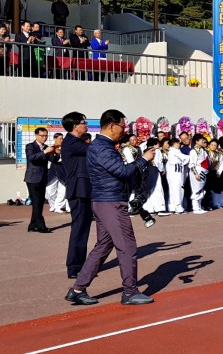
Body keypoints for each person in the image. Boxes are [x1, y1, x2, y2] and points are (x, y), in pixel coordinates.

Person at [66, 109, 156, 306]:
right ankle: (130, 291)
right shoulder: (102, 148)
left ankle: (78, 289)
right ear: (112, 126)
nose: (124, 131)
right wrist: (143, 159)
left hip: (105, 201)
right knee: (127, 246)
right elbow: (122, 171)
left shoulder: (102, 146)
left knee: (104, 245)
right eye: (123, 127)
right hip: (111, 202)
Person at [61, 112, 92, 278]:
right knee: (79, 229)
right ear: (75, 126)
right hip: (78, 191)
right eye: (83, 123)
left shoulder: (78, 142)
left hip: (85, 190)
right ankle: (74, 267)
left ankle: (80, 264)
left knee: (83, 229)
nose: (86, 125)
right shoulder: (71, 143)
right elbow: (94, 149)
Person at [24, 127, 56, 233]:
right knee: (36, 202)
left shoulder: (46, 147)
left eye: (46, 135)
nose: (44, 138)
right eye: (42, 136)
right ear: (36, 135)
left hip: (43, 177)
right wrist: (45, 152)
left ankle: (32, 225)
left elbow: (53, 159)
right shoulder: (30, 146)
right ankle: (41, 226)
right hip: (32, 178)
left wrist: (57, 153)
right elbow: (32, 158)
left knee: (40, 202)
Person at [165, 138, 189, 214]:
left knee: (173, 190)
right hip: (176, 173)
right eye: (178, 143)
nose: (179, 144)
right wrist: (186, 160)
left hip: (174, 173)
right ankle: (178, 208)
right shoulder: (174, 151)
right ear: (174, 144)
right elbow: (185, 157)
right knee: (178, 189)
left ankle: (172, 207)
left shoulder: (172, 151)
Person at [46, 133, 68, 213]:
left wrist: (60, 153)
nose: (61, 140)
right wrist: (57, 153)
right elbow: (51, 159)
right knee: (50, 190)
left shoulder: (65, 149)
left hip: (63, 171)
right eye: (60, 138)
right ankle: (53, 205)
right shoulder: (51, 148)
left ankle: (58, 206)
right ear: (55, 139)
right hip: (53, 172)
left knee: (63, 190)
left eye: (62, 138)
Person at [188, 134, 209, 213]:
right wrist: (195, 174)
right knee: (196, 189)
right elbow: (192, 164)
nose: (203, 141)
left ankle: (199, 206)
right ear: (196, 141)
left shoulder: (203, 151)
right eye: (201, 140)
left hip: (203, 171)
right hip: (196, 171)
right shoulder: (193, 152)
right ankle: (195, 208)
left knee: (202, 189)